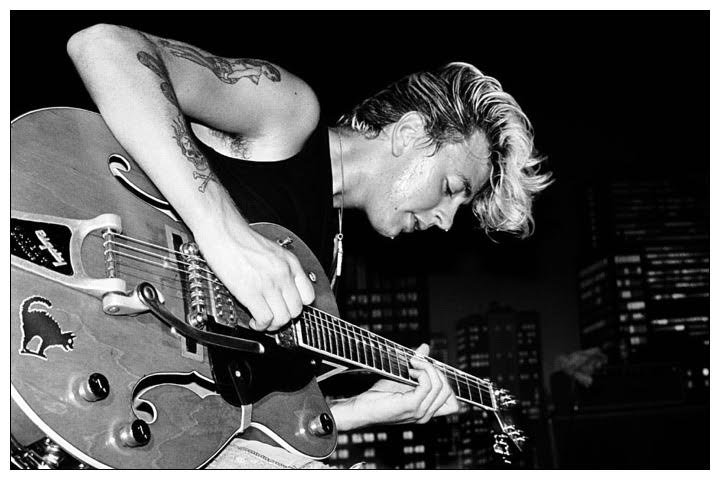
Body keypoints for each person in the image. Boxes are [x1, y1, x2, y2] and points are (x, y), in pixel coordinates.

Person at [67, 23, 551, 469]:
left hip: (98, 391)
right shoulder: (289, 116)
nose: (446, 223)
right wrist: (225, 234)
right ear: (409, 134)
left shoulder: (323, 267)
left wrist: (357, 411)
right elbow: (105, 46)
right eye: (450, 188)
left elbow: (224, 424)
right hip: (70, 261)